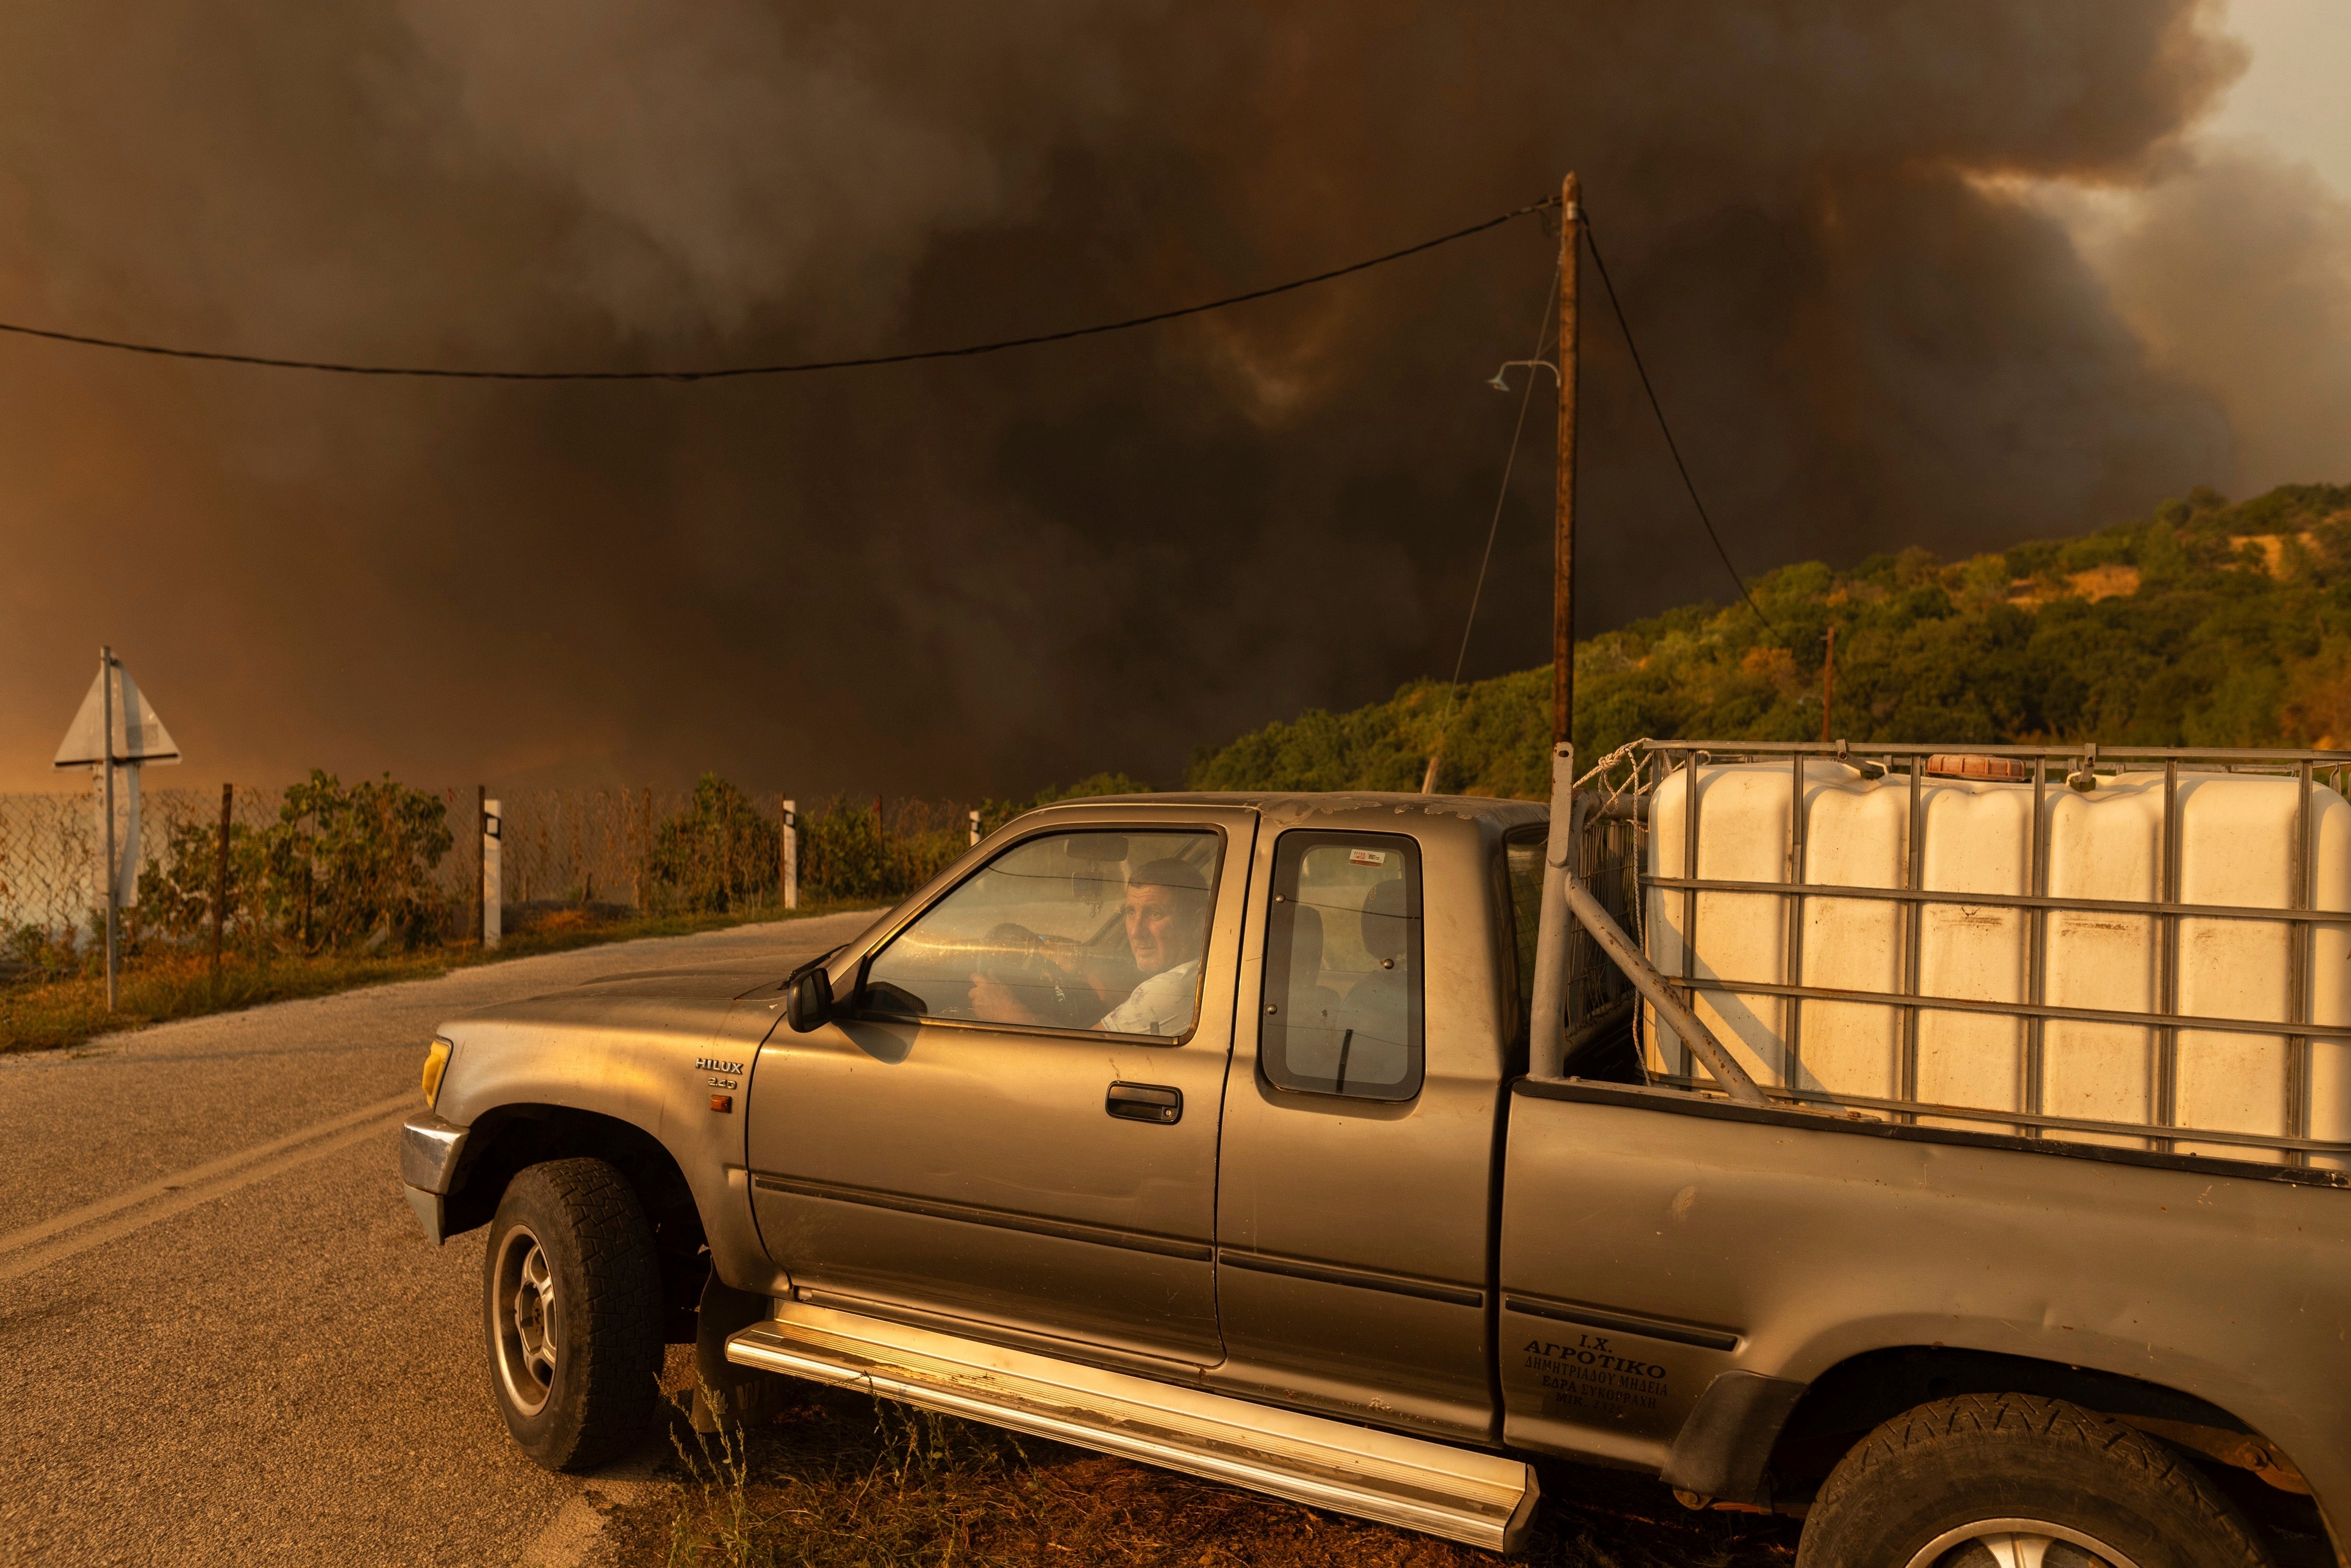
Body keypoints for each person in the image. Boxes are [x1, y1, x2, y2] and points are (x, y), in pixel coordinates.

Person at [967, 857, 1211, 1033]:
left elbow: (1076, 1057)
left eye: (1155, 914)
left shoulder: (1172, 989)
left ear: (1198, 922)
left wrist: (1007, 1012)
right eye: (1130, 912)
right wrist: (1083, 971)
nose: (1136, 932)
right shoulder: (1196, 977)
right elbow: (1139, 1008)